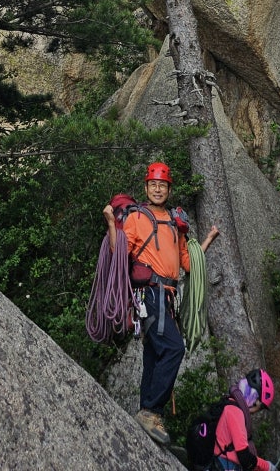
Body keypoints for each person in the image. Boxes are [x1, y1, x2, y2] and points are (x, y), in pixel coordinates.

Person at [103, 160, 220, 447]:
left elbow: (187, 264)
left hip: (167, 296)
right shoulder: (136, 217)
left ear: (168, 189)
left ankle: (146, 411)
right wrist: (110, 223)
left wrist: (206, 241)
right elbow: (120, 253)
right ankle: (152, 411)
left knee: (155, 354)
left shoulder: (175, 222)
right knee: (173, 348)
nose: (157, 189)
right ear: (146, 187)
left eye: (162, 185)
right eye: (153, 184)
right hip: (149, 293)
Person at [213, 368, 277, 470]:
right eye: (260, 408)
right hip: (223, 465)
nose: (257, 411)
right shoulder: (236, 412)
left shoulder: (229, 401)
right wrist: (268, 466)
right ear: (256, 401)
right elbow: (244, 457)